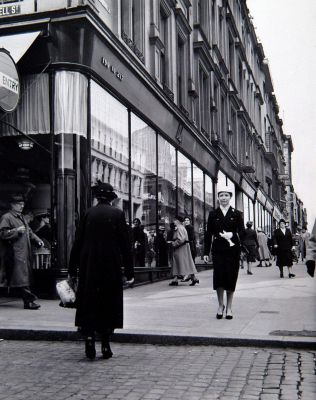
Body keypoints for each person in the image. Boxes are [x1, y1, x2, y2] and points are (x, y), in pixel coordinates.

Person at [68, 182, 134, 360]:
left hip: (89, 265)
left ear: (97, 197)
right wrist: (129, 272)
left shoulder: (88, 213)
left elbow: (78, 242)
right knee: (108, 302)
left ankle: (89, 339)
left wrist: (72, 269)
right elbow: (125, 246)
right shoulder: (118, 214)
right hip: (110, 266)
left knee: (89, 302)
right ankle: (105, 343)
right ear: (111, 198)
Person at [203, 188, 245, 320]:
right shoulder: (213, 214)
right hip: (218, 250)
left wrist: (232, 234)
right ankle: (220, 306)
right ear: (218, 197)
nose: (224, 198)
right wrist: (206, 252)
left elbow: (243, 232)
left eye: (226, 195)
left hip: (233, 251)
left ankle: (229, 307)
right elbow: (208, 234)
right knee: (219, 278)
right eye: (221, 195)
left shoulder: (237, 214)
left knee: (231, 278)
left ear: (230, 197)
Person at [0, 194, 44, 310]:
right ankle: (29, 301)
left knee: (17, 277)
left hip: (23, 252)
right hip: (14, 253)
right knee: (21, 277)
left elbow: (29, 232)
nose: (22, 206)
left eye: (23, 204)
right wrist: (16, 231)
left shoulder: (22, 217)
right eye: (19, 204)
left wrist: (38, 241)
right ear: (12, 205)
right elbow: (2, 234)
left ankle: (28, 301)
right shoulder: (7, 217)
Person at [168, 216, 199, 286]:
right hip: (184, 248)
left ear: (178, 221)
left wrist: (173, 243)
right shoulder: (182, 227)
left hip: (180, 248)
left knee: (178, 263)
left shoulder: (179, 228)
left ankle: (176, 280)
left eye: (175, 220)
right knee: (186, 263)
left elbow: (181, 239)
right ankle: (192, 278)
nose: (174, 221)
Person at [181, 216, 197, 282]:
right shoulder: (186, 228)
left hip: (190, 247)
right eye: (185, 220)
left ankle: (191, 277)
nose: (186, 221)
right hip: (189, 246)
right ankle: (193, 278)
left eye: (188, 220)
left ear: (189, 221)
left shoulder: (189, 227)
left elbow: (191, 237)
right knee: (190, 262)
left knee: (190, 262)